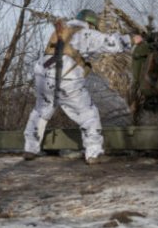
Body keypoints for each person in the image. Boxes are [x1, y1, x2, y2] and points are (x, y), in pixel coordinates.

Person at [23, 9, 141, 164]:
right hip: (67, 78)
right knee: (88, 115)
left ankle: (30, 149)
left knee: (40, 111)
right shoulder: (84, 33)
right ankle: (93, 153)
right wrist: (132, 39)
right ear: (91, 23)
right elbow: (109, 42)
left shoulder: (63, 31)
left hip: (43, 76)